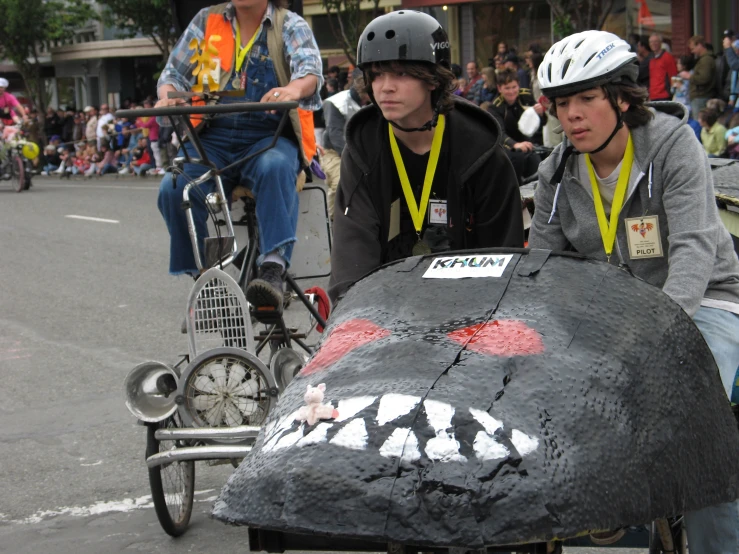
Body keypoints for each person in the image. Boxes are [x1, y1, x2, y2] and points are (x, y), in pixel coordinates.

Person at [529, 30, 739, 554]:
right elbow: (543, 270)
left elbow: (694, 250)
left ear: (622, 99)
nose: (570, 115)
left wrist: (656, 332)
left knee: (700, 423)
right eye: (561, 102)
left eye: (586, 98)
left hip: (704, 300)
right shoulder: (555, 171)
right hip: (607, 312)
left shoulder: (673, 145)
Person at [328, 11, 523, 304]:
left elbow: (505, 261)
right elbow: (352, 256)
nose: (385, 87)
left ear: (433, 79)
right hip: (385, 308)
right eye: (377, 74)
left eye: (401, 73)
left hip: (471, 308)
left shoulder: (481, 151)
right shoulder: (363, 149)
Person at [155, 0, 322, 314]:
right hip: (211, 136)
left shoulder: (289, 24)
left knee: (274, 167)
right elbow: (173, 75)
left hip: (268, 134)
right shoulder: (207, 21)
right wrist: (168, 95)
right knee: (173, 188)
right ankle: (203, 278)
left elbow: (310, 71)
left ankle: (272, 270)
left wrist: (293, 89)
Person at [320, 68, 369, 220]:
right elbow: (335, 135)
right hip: (334, 151)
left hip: (364, 150)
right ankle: (334, 221)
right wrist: (352, 157)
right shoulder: (336, 103)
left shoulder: (373, 101)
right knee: (340, 182)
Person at [487, 68, 547, 182]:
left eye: (514, 87)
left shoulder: (525, 96)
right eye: (507, 88)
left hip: (528, 143)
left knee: (538, 160)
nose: (511, 92)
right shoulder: (495, 107)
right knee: (517, 160)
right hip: (508, 147)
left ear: (518, 86)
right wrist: (515, 145)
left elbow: (541, 123)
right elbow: (499, 133)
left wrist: (541, 114)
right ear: (500, 88)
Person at [688, 35, 717, 115]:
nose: (692, 52)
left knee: (699, 123)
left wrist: (689, 76)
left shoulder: (706, 60)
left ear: (699, 45)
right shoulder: (704, 59)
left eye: (693, 48)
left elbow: (704, 78)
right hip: (700, 96)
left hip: (701, 96)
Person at [647, 33, 677, 101]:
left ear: (660, 43)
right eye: (651, 42)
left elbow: (673, 75)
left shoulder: (667, 57)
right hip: (653, 96)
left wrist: (673, 94)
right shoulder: (651, 59)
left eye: (656, 41)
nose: (653, 44)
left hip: (664, 96)